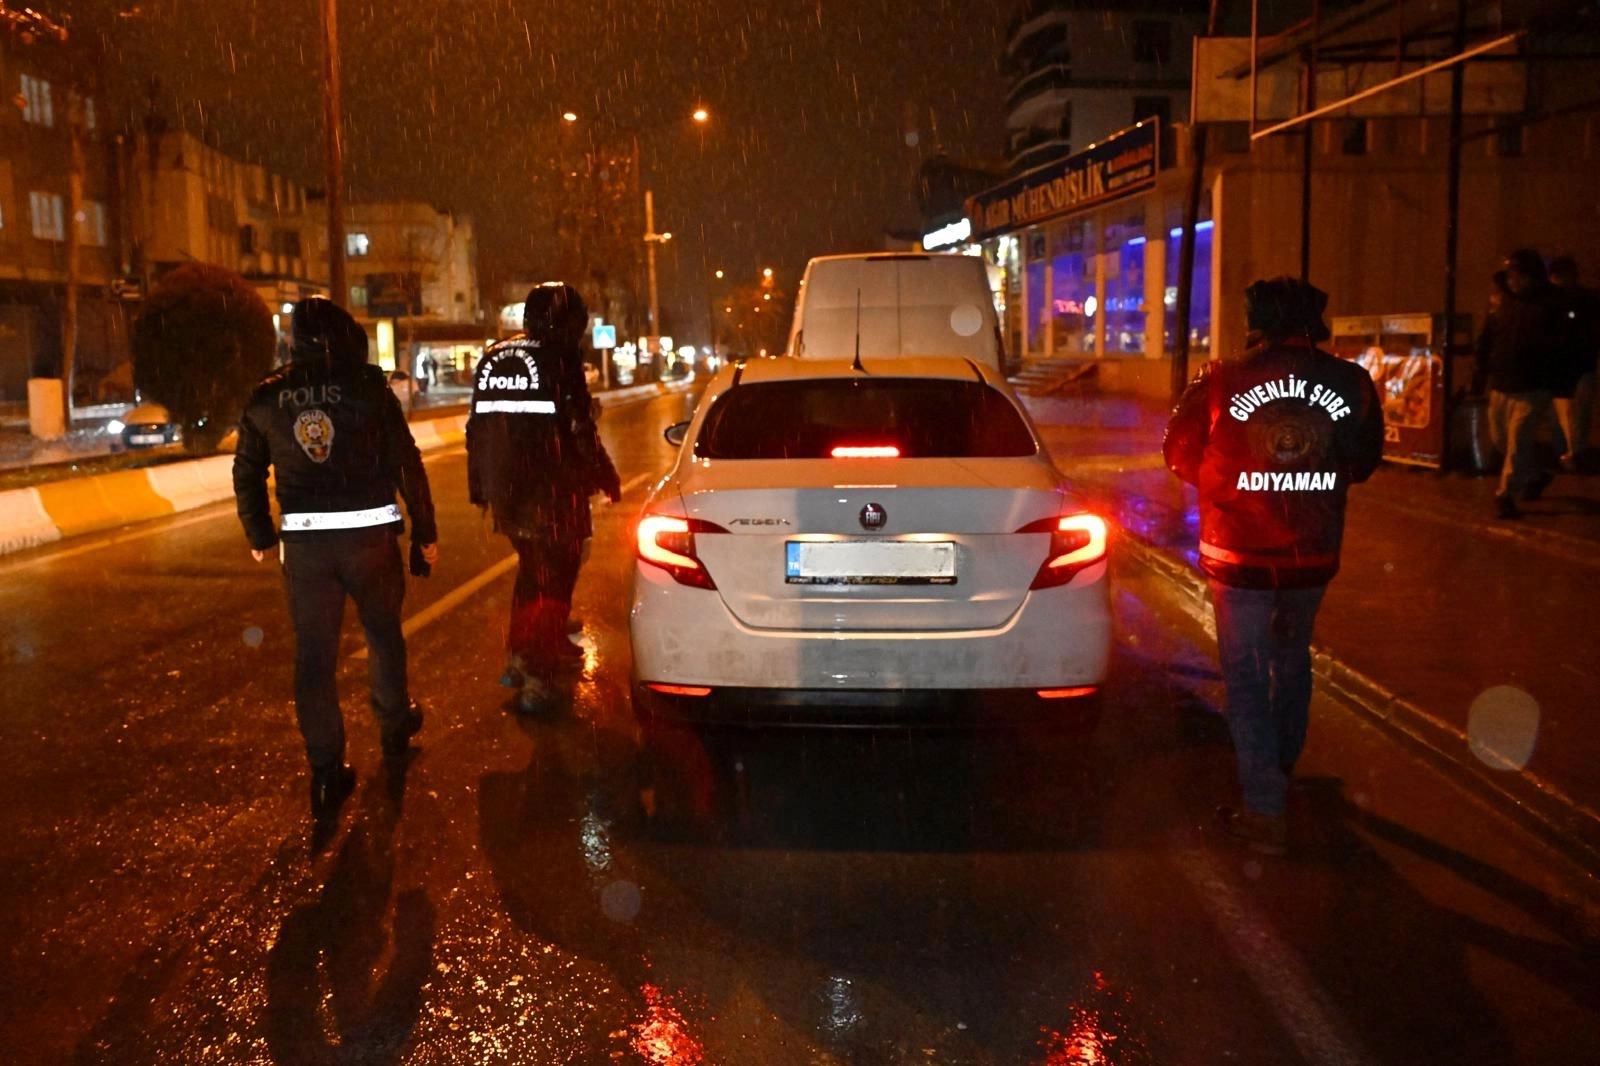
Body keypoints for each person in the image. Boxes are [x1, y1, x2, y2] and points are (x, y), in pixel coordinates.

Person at [1164, 277, 1384, 856]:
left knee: (1244, 675)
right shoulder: (1351, 381)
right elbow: (1364, 461)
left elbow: (1178, 454)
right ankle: (1279, 774)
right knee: (1290, 660)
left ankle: (1264, 809)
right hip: (1311, 554)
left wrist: (1233, 484)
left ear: (1256, 322)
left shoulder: (1219, 379)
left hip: (1239, 554)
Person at [233, 297, 438, 824]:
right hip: (370, 540)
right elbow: (406, 462)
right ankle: (394, 726)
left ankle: (326, 772)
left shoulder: (268, 396)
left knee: (314, 658)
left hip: (306, 549)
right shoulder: (368, 388)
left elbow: (247, 470)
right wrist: (425, 530)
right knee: (383, 634)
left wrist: (260, 532)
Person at [467, 282, 621, 714]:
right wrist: (604, 474)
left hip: (505, 490)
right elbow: (579, 428)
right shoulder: (560, 357)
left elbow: (475, 427)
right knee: (555, 576)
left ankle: (523, 653)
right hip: (551, 489)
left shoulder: (495, 355)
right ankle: (538, 675)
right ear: (569, 323)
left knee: (533, 570)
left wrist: (479, 485)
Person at [1474, 249, 1561, 517]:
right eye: (1511, 275)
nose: (1514, 281)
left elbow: (1562, 345)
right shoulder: (1501, 303)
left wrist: (1555, 379)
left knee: (1518, 442)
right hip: (1502, 385)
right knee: (1501, 440)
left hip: (1532, 388)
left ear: (1532, 277)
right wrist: (1480, 375)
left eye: (1519, 275)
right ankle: (1535, 475)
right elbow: (1487, 339)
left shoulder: (1549, 305)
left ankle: (1506, 495)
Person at [1548, 256, 1598, 471]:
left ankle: (1570, 454)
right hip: (1574, 365)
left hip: (1572, 365)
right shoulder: (1585, 299)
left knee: (1569, 414)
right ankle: (1570, 454)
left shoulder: (1580, 301)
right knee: (1571, 415)